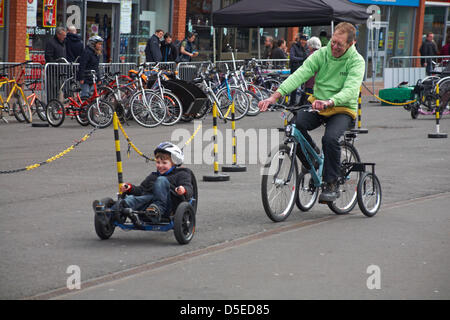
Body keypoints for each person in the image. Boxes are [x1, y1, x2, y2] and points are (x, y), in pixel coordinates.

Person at [258, 22, 365, 203]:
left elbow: (351, 89)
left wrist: (330, 101)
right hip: (318, 105)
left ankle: (331, 183)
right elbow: (301, 73)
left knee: (330, 139)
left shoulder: (356, 61)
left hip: (342, 108)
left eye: (340, 44)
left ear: (351, 44)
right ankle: (313, 161)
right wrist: (274, 97)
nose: (334, 47)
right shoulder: (322, 54)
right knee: (294, 127)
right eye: (333, 42)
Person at [105, 142, 194, 225]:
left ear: (174, 163)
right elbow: (141, 190)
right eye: (158, 162)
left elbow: (189, 188)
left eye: (164, 163)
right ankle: (109, 213)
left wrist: (183, 189)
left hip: (169, 206)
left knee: (161, 180)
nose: (160, 165)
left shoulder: (182, 173)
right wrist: (129, 187)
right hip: (149, 205)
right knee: (133, 199)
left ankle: (157, 209)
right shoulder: (153, 176)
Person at [288, 33, 309, 105]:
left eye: (305, 40)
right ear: (300, 40)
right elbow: (292, 57)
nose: (304, 42)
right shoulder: (294, 46)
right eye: (303, 40)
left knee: (304, 86)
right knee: (294, 86)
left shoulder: (306, 47)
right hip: (295, 68)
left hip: (303, 68)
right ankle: (292, 103)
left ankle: (301, 102)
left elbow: (308, 56)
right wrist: (302, 59)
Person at [301, 36, 322, 105]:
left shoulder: (311, 55)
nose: (308, 47)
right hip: (319, 83)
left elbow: (306, 70)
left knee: (309, 103)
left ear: (312, 46)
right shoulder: (322, 54)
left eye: (309, 45)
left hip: (310, 83)